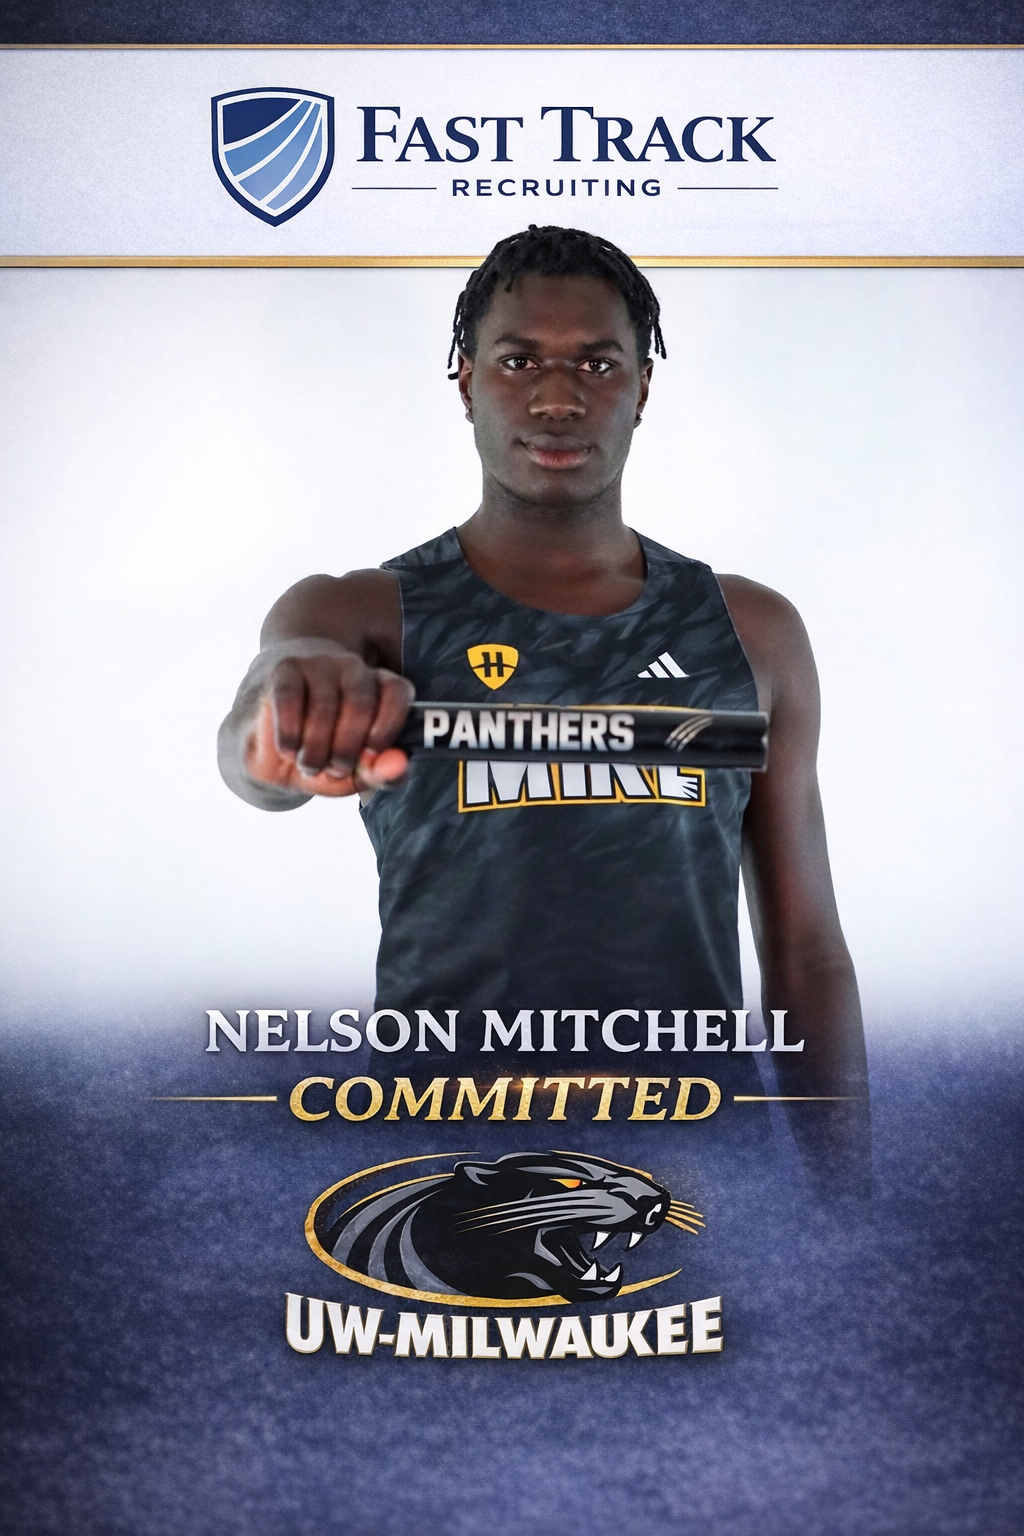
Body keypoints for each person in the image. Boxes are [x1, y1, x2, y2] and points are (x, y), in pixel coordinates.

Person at [218, 224, 868, 1194]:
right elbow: (259, 734)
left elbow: (807, 952)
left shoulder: (751, 629)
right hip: (439, 1158)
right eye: (518, 360)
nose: (558, 398)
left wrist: (848, 1209)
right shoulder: (357, 613)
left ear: (642, 388)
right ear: (466, 382)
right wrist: (282, 729)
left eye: (597, 364)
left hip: (694, 1164)